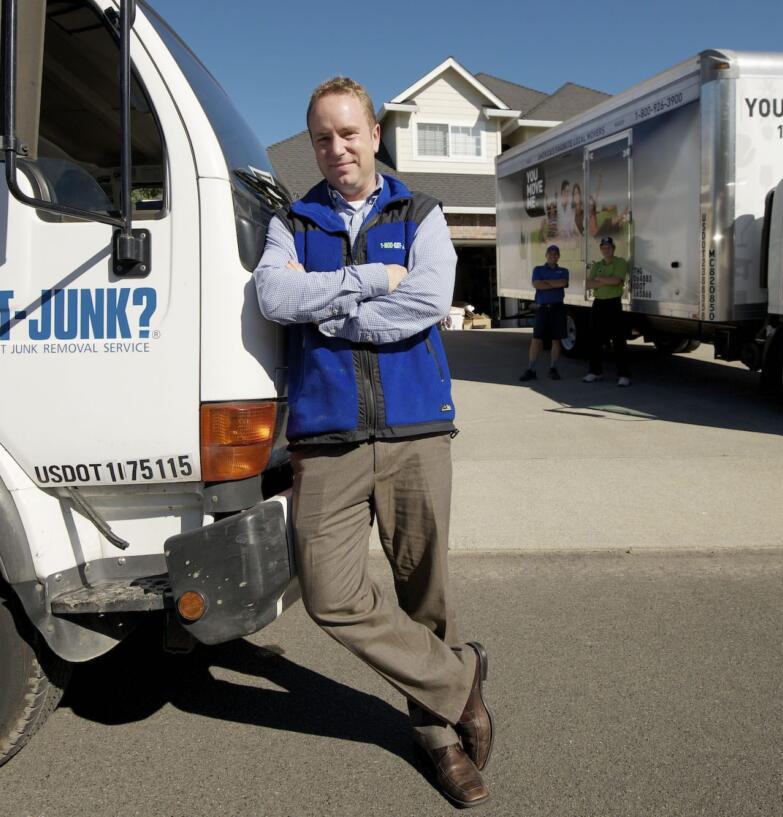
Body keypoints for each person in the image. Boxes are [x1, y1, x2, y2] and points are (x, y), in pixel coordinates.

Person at [253, 77, 494, 809]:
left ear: (375, 134)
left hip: (417, 425)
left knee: (426, 590)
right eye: (323, 137)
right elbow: (272, 297)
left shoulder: (418, 212)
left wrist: (330, 311)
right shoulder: (291, 223)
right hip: (327, 437)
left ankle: (439, 739)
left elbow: (424, 303)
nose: (337, 149)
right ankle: (460, 681)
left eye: (349, 133)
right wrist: (366, 278)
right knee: (329, 592)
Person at [583, 236, 632, 386]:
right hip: (598, 304)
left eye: (609, 247)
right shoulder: (597, 264)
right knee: (594, 339)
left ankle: (623, 375)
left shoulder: (620, 262)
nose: (606, 250)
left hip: (613, 304)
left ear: (613, 248)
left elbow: (617, 281)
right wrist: (606, 279)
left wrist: (600, 279)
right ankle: (595, 372)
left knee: (618, 340)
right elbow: (589, 284)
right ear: (601, 249)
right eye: (603, 247)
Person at [519, 244, 568, 381]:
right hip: (542, 308)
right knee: (536, 339)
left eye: (556, 254)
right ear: (546, 255)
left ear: (558, 256)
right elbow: (537, 284)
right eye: (550, 253)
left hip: (557, 308)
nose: (553, 256)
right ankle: (531, 369)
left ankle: (553, 369)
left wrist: (546, 282)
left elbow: (563, 283)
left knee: (556, 340)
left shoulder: (564, 271)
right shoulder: (538, 269)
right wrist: (553, 283)